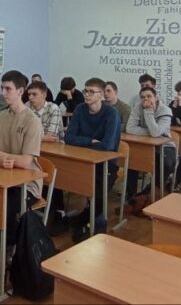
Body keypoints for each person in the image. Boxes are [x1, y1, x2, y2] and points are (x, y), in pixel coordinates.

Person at [0, 70, 43, 245]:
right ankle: (10, 243)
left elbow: (25, 162)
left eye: (8, 89)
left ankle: (18, 246)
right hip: (1, 176)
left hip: (26, 185)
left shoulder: (32, 121)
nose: (3, 93)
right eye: (2, 88)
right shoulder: (0, 117)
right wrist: (0, 161)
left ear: (20, 91)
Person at [64, 78, 122, 240]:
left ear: (101, 95)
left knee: (98, 188)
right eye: (85, 91)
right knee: (60, 175)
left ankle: (95, 224)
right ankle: (70, 218)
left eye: (91, 92)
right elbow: (69, 138)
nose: (87, 95)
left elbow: (108, 145)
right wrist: (91, 141)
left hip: (106, 165)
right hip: (82, 161)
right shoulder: (80, 109)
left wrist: (81, 142)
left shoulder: (111, 113)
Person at [125, 86, 177, 214]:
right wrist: (150, 132)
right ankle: (131, 197)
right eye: (143, 97)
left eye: (149, 96)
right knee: (132, 161)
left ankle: (149, 194)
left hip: (165, 146)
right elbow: (130, 128)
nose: (146, 99)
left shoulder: (166, 110)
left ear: (156, 98)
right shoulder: (138, 107)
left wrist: (148, 112)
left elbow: (156, 133)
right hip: (146, 145)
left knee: (166, 163)